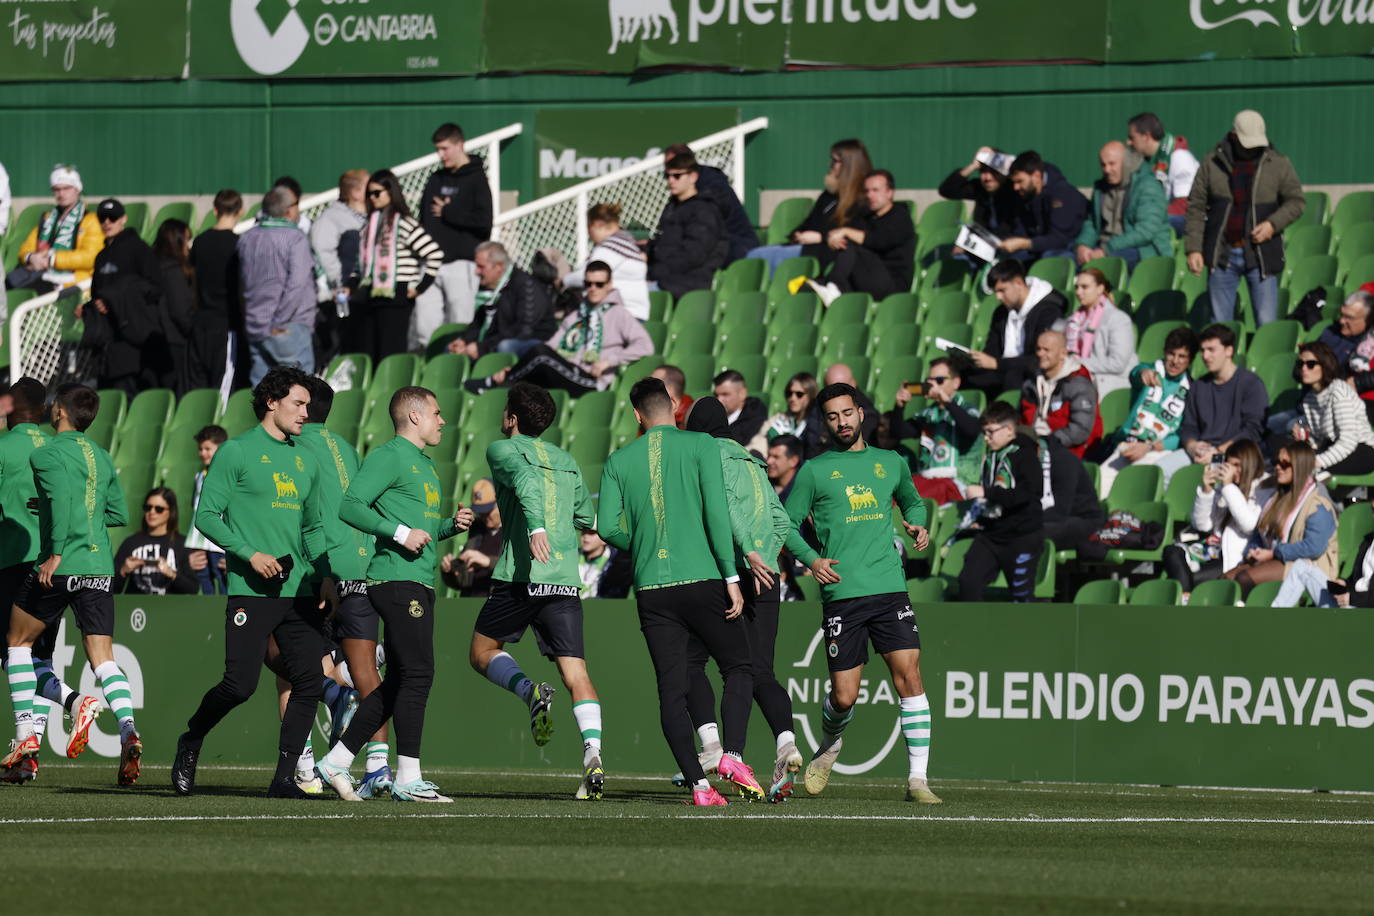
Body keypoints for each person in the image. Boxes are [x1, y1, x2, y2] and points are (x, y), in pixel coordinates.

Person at [597, 377, 762, 807]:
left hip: (652, 587)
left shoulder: (617, 460)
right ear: (674, 404)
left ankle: (699, 787)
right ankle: (733, 756)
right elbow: (716, 514)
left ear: (636, 415)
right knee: (739, 665)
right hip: (704, 578)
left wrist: (646, 541)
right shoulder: (701, 445)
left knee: (671, 689)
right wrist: (730, 576)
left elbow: (607, 527)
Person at [172, 367, 331, 799]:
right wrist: (250, 555)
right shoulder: (236, 452)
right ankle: (192, 738)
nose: (306, 411)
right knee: (239, 686)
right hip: (251, 590)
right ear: (271, 402)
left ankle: (284, 779)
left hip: (298, 590)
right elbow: (206, 516)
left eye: (308, 405)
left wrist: (325, 575)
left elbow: (314, 528)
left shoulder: (307, 458)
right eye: (298, 403)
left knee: (309, 682)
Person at [316, 386, 475, 803]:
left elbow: (419, 527)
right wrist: (400, 533)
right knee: (418, 675)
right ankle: (407, 777)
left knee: (405, 677)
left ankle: (336, 760)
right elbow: (350, 506)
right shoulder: (389, 455)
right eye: (437, 413)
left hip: (418, 579)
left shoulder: (424, 463)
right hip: (395, 581)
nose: (443, 421)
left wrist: (447, 526)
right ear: (415, 415)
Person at [782, 382, 937, 803]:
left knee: (910, 677)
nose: (841, 422)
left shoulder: (890, 462)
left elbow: (913, 502)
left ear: (860, 413)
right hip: (843, 595)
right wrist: (812, 560)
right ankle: (830, 745)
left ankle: (917, 780)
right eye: (832, 416)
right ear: (825, 422)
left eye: (847, 413)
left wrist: (918, 523)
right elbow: (785, 525)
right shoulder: (814, 471)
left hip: (890, 588)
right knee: (845, 695)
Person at [469, 383, 607, 799]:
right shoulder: (566, 460)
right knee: (575, 673)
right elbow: (585, 513)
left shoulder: (501, 450)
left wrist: (538, 526)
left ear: (512, 418)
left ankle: (528, 691)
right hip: (564, 579)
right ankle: (593, 751)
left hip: (520, 576)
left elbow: (527, 484)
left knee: (480, 652)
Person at [1, 384, 142, 786]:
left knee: (17, 642)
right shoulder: (100, 454)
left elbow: (62, 498)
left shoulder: (44, 453)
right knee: (102, 657)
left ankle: (27, 737)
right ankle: (128, 728)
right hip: (99, 567)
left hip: (62, 564)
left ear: (59, 410)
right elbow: (118, 511)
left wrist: (57, 551)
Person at [676, 397, 798, 802]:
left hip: (727, 570)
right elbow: (781, 519)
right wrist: (774, 552)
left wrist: (748, 550)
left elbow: (723, 506)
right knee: (760, 669)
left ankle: (719, 749)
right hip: (766, 575)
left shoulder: (707, 455)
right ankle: (786, 745)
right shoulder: (753, 461)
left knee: (693, 662)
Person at [292, 377, 389, 796]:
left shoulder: (294, 448)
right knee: (367, 673)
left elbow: (297, 511)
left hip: (319, 569)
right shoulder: (347, 448)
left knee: (288, 664)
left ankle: (304, 766)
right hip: (361, 566)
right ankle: (379, 768)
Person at [0, 378, 99, 785]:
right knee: (36, 656)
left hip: (9, 562)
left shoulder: (5, 448)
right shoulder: (58, 448)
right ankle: (27, 755)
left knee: (16, 654)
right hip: (50, 567)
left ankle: (74, 702)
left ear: (15, 405)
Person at [1185, 110, 1305, 325]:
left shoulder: (1278, 163)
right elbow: (1196, 206)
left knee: (1266, 322)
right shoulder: (1212, 163)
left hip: (1261, 256)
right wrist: (1194, 248)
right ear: (1234, 135)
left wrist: (1272, 224)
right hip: (1223, 255)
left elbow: (1296, 202)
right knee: (1219, 326)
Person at [464, 261, 653, 397]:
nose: (593, 288)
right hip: (566, 371)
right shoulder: (575, 315)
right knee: (538, 356)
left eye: (599, 284)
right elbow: (552, 347)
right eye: (588, 284)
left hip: (591, 380)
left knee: (539, 353)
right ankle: (506, 379)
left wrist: (608, 362)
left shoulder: (619, 314)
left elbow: (645, 346)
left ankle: (497, 381)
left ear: (609, 285)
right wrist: (520, 367)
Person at [349, 169, 443, 363]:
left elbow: (434, 254)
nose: (372, 198)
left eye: (377, 193)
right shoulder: (369, 225)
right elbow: (362, 263)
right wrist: (351, 283)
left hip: (397, 295)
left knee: (390, 352)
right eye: (369, 194)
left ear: (391, 192)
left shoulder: (405, 223)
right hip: (370, 294)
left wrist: (419, 287)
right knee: (370, 352)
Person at [1222, 441, 1335, 598]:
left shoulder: (1318, 502)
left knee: (1244, 579)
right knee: (1225, 580)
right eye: (1276, 462)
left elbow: (1314, 547)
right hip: (1278, 558)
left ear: (1299, 466)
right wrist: (1253, 550)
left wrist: (1274, 553)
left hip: (1309, 566)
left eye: (1284, 464)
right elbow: (1260, 530)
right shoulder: (1279, 496)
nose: (1277, 467)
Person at [1158, 324, 1269, 482]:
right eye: (1203, 350)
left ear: (1229, 351)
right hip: (1201, 452)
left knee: (1212, 477)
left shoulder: (1251, 383)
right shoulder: (1198, 387)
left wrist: (1218, 451)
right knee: (1159, 472)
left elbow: (1253, 430)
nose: (1205, 356)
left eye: (1211, 350)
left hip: (1233, 454)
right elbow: (1189, 426)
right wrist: (1192, 446)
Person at [747, 140, 874, 278]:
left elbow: (854, 235)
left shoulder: (862, 200)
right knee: (756, 254)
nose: (830, 165)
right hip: (805, 247)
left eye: (835, 161)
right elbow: (809, 222)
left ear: (849, 166)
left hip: (826, 254)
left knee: (758, 256)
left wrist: (821, 237)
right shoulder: (828, 196)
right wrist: (798, 234)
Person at [958, 401, 1044, 603]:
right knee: (968, 582)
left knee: (1021, 596)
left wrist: (986, 492)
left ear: (1008, 429)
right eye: (984, 433)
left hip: (1022, 536)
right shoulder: (991, 457)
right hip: (992, 535)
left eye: (990, 432)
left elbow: (1029, 495)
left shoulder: (1025, 456)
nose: (986, 439)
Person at [416, 122, 492, 346]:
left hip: (461, 263)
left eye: (445, 148)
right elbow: (424, 219)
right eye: (438, 149)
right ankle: (428, 372)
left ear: (460, 145)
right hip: (431, 263)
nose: (441, 155)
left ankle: (457, 372)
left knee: (460, 322)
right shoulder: (436, 179)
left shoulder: (477, 179)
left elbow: (484, 223)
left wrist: (449, 212)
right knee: (425, 326)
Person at [1098, 327, 1198, 495]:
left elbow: (1179, 435)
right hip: (1127, 445)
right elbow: (1135, 374)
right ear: (1164, 353)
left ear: (1190, 360)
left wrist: (1148, 446)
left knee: (1125, 491)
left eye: (1182, 356)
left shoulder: (1192, 390)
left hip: (1155, 452)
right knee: (1097, 486)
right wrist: (1142, 373)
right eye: (1171, 354)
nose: (1175, 361)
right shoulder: (1151, 370)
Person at [1162, 440, 1268, 597]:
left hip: (1235, 558)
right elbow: (1202, 525)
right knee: (1171, 551)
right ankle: (1185, 599)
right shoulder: (1225, 487)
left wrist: (1228, 487)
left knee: (1188, 581)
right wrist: (1206, 490)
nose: (1232, 470)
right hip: (1211, 550)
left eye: (1237, 465)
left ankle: (1185, 599)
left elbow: (1249, 525)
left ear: (1249, 464)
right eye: (1229, 464)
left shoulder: (1263, 487)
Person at [79, 198, 162, 396]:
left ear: (123, 219)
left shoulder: (139, 250)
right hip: (107, 345)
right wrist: (92, 307)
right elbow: (97, 293)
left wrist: (114, 301)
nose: (107, 222)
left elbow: (155, 289)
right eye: (102, 218)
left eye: (113, 217)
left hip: (132, 342)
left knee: (129, 396)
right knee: (107, 399)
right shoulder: (101, 256)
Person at [239, 186, 317, 384]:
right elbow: (297, 284)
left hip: (256, 323)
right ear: (289, 210)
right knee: (299, 389)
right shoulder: (295, 238)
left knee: (263, 392)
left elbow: (244, 282)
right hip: (287, 325)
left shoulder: (247, 238)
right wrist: (280, 322)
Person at [807, 169, 915, 302]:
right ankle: (830, 287)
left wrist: (846, 232)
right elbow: (839, 231)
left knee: (850, 245)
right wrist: (833, 239)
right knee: (807, 287)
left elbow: (878, 241)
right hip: (865, 279)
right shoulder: (866, 217)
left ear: (889, 192)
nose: (870, 195)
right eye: (867, 191)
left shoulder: (900, 216)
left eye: (875, 190)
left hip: (892, 285)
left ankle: (833, 286)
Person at [965, 259, 1068, 395]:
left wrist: (997, 364)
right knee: (958, 375)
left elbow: (1039, 359)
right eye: (996, 292)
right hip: (1003, 369)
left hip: (1028, 374)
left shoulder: (1048, 311)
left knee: (1012, 378)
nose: (998, 297)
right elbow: (992, 350)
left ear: (1018, 283)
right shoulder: (1001, 312)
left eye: (1002, 290)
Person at [889, 358, 983, 505]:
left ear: (956, 382)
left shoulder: (967, 410)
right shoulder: (929, 413)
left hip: (957, 482)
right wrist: (899, 406)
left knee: (910, 502)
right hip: (928, 478)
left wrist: (946, 401)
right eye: (929, 380)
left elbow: (971, 430)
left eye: (939, 380)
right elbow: (899, 432)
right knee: (890, 495)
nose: (933, 385)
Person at [1073, 141, 1170, 270]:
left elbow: (1145, 232)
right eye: (1103, 165)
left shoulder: (1147, 186)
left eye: (1112, 164)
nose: (1107, 170)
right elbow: (1092, 223)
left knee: (1105, 264)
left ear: (1126, 162)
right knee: (1062, 258)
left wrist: (1106, 249)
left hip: (1142, 250)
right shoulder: (1100, 188)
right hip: (1104, 246)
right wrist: (1083, 245)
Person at [6, 165, 101, 296]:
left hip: (74, 279)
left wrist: (53, 259)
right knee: (8, 283)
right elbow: (26, 248)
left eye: (66, 188)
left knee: (31, 289)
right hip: (42, 274)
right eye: (56, 189)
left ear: (77, 189)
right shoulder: (49, 219)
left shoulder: (91, 220)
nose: (61, 194)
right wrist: (31, 257)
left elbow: (91, 257)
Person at [451, 241, 555, 360]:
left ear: (499, 267)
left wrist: (483, 347)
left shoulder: (526, 287)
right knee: (451, 350)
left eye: (481, 267)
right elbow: (479, 322)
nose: (476, 272)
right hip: (498, 340)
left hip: (534, 344)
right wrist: (464, 340)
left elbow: (523, 330)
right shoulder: (490, 288)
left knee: (505, 346)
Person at [646, 151, 728, 299]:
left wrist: (654, 274)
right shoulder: (673, 207)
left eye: (677, 176)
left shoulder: (704, 210)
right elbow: (664, 244)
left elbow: (693, 255)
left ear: (693, 177)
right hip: (665, 278)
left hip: (689, 284)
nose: (671, 181)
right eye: (668, 176)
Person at [664, 142, 760, 264]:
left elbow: (702, 235)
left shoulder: (714, 190)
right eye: (668, 174)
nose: (670, 178)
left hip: (737, 248)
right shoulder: (679, 196)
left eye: (676, 173)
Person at [311, 169, 369, 359]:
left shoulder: (371, 217)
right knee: (340, 345)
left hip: (364, 295)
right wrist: (340, 282)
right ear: (356, 192)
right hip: (342, 298)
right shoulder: (330, 218)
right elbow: (322, 251)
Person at [189, 189, 243, 395]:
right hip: (226, 324)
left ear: (215, 210)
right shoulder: (238, 244)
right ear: (241, 211)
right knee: (223, 388)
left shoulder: (200, 241)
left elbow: (193, 282)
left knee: (200, 389)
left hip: (201, 322)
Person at [1293, 342, 1374, 477]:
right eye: (1301, 364)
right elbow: (1320, 439)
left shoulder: (1339, 391)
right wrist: (1306, 438)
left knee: (1303, 468)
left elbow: (1348, 441)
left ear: (1325, 365)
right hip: (1334, 447)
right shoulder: (1310, 398)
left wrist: (1318, 461)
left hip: (1361, 451)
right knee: (1292, 458)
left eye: (1310, 364)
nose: (1304, 369)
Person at [1020, 329, 1102, 459]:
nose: (1040, 354)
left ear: (1063, 353)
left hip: (1067, 451)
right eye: (1038, 349)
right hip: (1033, 444)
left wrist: (1044, 444)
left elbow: (1079, 431)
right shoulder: (1031, 382)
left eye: (1047, 350)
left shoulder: (1079, 384)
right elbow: (1022, 418)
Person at [563, 203, 650, 321]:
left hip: (620, 313)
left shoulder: (609, 248)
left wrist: (563, 280)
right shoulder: (627, 243)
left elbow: (587, 275)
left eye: (589, 227)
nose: (589, 234)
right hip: (633, 312)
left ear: (597, 225)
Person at [998, 151, 1089, 261]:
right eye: (1014, 182)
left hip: (1069, 249)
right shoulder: (1026, 194)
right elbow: (1021, 230)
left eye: (1020, 181)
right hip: (1041, 245)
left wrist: (1023, 243)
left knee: (1049, 257)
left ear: (1036, 175)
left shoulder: (1063, 194)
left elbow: (1059, 239)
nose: (1015, 187)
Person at [1064, 267, 1138, 398]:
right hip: (1080, 379)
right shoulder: (1073, 320)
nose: (1078, 292)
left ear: (1100, 288)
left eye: (1084, 287)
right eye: (1076, 287)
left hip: (1110, 384)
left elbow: (1117, 364)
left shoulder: (1118, 319)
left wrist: (1076, 363)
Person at [114, 488, 201, 595]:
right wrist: (123, 571)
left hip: (170, 609)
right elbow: (110, 589)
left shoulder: (181, 544)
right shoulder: (130, 543)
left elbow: (193, 589)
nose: (152, 512)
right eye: (148, 507)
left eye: (159, 509)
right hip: (136, 609)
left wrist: (172, 574)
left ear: (171, 512)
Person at [1126, 112, 1201, 236]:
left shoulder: (1179, 158)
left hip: (1185, 221)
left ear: (1146, 136)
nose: (1128, 142)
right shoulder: (1149, 161)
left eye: (1131, 137)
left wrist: (1149, 216)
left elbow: (1184, 206)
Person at [937, 145, 1025, 239]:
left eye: (993, 172)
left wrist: (1004, 163)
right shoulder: (979, 188)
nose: (987, 178)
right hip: (983, 243)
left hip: (1010, 242)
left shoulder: (1014, 188)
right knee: (959, 254)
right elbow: (947, 190)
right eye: (983, 172)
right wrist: (973, 165)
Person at [1041, 435, 1106, 555]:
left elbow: (1060, 511)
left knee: (1029, 534)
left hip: (1085, 521)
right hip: (1056, 519)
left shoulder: (1063, 460)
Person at [152, 218, 197, 394]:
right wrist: (193, 332)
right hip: (174, 343)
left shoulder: (150, 265)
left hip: (154, 340)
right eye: (187, 239)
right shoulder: (172, 270)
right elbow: (180, 310)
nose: (189, 245)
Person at [443, 478, 503, 598]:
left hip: (498, 606)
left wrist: (488, 562)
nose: (484, 516)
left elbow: (522, 570)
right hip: (470, 604)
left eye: (488, 511)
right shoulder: (477, 529)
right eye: (481, 512)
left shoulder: (515, 531)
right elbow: (463, 582)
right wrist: (451, 572)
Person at [761, 371, 822, 459]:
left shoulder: (816, 425)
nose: (792, 398)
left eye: (799, 394)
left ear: (811, 396)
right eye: (790, 393)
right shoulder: (781, 421)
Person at [713, 369, 768, 447]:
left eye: (725, 394)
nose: (719, 400)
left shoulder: (755, 421)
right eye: (716, 395)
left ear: (742, 394)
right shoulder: (711, 415)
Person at [578, 530, 632, 600]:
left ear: (604, 540)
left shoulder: (620, 564)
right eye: (584, 532)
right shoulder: (570, 557)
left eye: (592, 533)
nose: (585, 536)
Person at [766, 434, 803, 499]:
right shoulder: (764, 485)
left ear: (793, 461)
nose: (769, 461)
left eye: (776, 457)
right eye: (769, 455)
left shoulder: (805, 491)